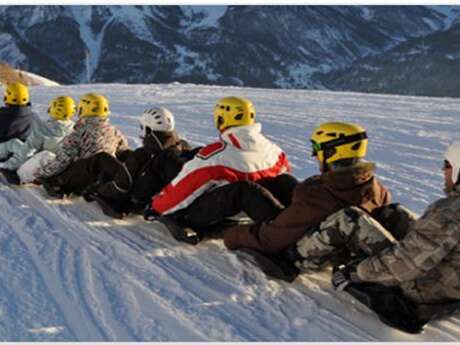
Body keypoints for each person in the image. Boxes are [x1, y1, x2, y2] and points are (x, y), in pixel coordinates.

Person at [224, 122, 392, 265]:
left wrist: (234, 235)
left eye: (317, 148)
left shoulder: (318, 193)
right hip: (351, 244)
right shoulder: (374, 186)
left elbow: (272, 238)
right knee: (284, 181)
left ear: (331, 152)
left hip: (307, 254)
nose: (314, 154)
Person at [326, 139, 460, 307]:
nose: (443, 170)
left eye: (447, 164)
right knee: (396, 213)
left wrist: (355, 271)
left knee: (350, 218)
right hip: (451, 278)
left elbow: (406, 263)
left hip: (424, 289)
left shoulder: (449, 211)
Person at [149, 96, 294, 238]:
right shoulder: (273, 149)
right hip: (257, 210)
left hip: (225, 216)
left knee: (239, 189)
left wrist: (157, 206)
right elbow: (283, 173)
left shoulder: (217, 155)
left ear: (221, 119)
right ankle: (295, 221)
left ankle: (282, 234)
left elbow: (184, 187)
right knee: (284, 180)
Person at [86, 106, 198, 218]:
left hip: (142, 201)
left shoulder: (142, 154)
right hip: (174, 196)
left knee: (105, 174)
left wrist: (100, 190)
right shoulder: (183, 146)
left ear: (148, 129)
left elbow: (122, 186)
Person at [35, 92, 129, 197]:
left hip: (82, 177)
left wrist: (42, 173)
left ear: (84, 109)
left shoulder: (80, 132)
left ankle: (57, 183)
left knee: (63, 166)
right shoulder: (114, 131)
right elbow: (123, 150)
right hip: (103, 174)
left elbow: (64, 158)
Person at [0, 96, 75, 184]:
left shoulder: (43, 130)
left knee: (14, 144)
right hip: (58, 166)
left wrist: (8, 166)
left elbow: (27, 151)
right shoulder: (74, 129)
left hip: (39, 165)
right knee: (14, 143)